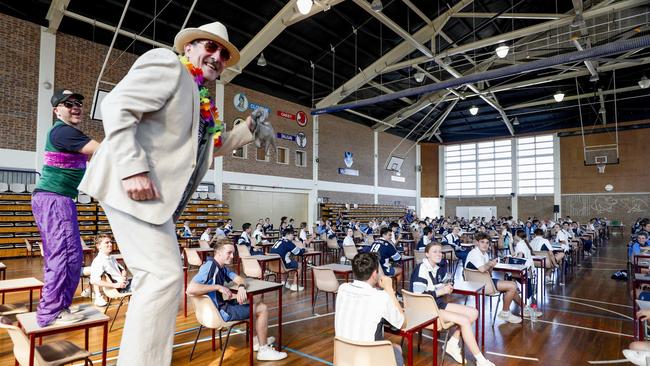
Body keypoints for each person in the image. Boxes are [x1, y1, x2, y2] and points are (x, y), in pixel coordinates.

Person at [78, 21, 275, 365]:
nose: (216, 56)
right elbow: (117, 106)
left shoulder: (200, 101)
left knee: (160, 280)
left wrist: (249, 129)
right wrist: (133, 167)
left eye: (223, 54)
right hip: (132, 187)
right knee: (163, 277)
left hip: (158, 205)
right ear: (188, 48)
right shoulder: (169, 66)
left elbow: (209, 147)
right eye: (209, 47)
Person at [32, 89, 100, 326]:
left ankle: (59, 307)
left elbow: (96, 158)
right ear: (56, 110)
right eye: (68, 104)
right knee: (64, 255)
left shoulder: (66, 135)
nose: (75, 107)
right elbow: (103, 151)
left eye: (78, 103)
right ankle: (50, 312)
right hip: (54, 199)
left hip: (58, 199)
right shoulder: (63, 131)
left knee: (72, 256)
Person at [186, 240, 287, 361]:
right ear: (218, 253)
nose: (232, 256)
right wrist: (218, 287)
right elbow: (190, 289)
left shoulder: (220, 267)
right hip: (221, 313)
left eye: (233, 253)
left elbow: (239, 278)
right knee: (262, 308)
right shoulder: (210, 268)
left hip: (215, 309)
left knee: (251, 303)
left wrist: (241, 287)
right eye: (229, 253)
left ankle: (256, 340)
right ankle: (263, 350)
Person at [410, 242, 495, 366]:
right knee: (464, 320)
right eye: (435, 251)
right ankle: (480, 360)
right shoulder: (421, 269)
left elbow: (448, 280)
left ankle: (452, 343)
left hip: (437, 304)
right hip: (424, 309)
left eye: (440, 251)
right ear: (427, 254)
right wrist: (440, 291)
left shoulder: (438, 269)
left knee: (473, 312)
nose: (439, 254)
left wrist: (447, 285)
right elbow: (418, 297)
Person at [335, 252, 405, 366]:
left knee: (395, 347)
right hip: (368, 359)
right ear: (374, 274)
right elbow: (402, 322)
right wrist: (389, 289)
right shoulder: (381, 297)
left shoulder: (342, 289)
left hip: (344, 353)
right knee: (397, 350)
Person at [464, 232, 524, 324]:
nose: (485, 245)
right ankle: (505, 312)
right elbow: (483, 268)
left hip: (483, 281)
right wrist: (490, 263)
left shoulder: (485, 254)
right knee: (512, 286)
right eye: (482, 242)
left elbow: (489, 273)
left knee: (512, 287)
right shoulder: (474, 253)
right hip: (478, 284)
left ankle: (524, 307)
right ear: (477, 243)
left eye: (487, 243)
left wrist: (491, 265)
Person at [90, 234, 131, 307]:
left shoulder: (112, 258)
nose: (111, 244)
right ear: (98, 246)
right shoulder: (98, 261)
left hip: (126, 284)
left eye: (111, 242)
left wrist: (123, 277)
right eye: (107, 242)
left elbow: (123, 270)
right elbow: (94, 281)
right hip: (120, 288)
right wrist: (115, 285)